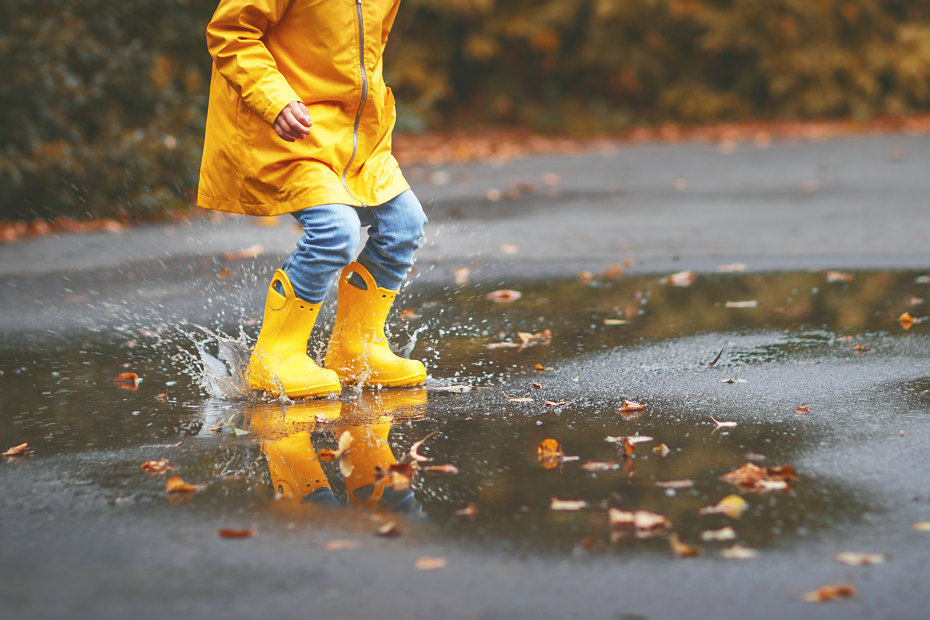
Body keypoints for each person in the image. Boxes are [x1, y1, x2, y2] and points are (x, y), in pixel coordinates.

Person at [197, 0, 427, 399]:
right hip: (288, 127)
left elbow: (367, 49)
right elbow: (230, 33)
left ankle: (356, 350)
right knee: (335, 231)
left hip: (355, 135)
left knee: (404, 224)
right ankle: (275, 358)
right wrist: (275, 100)